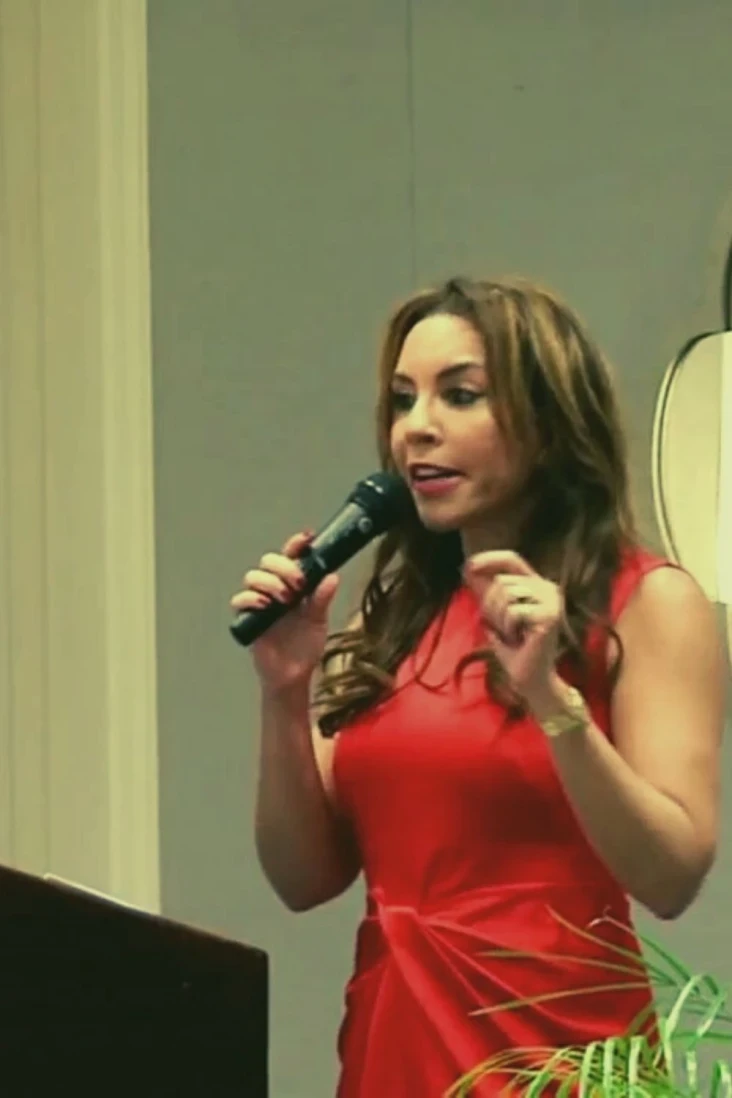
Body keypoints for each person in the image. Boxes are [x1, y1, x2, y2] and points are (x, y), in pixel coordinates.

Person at [230, 277, 726, 1097]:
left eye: (460, 396)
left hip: (557, 1059)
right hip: (395, 1050)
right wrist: (283, 692)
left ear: (549, 422)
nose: (416, 428)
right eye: (403, 400)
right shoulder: (397, 616)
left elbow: (672, 876)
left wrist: (553, 702)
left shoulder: (646, 601)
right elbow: (301, 879)